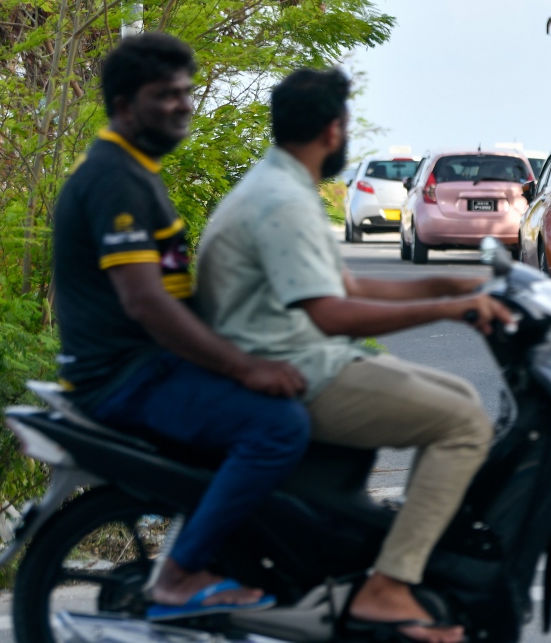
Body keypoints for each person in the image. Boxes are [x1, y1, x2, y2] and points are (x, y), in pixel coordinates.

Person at [196, 68, 509, 643]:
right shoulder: (283, 201)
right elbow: (332, 312)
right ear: (333, 130)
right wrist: (447, 311)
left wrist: (450, 285)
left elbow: (347, 284)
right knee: (464, 422)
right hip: (296, 371)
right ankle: (389, 584)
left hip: (300, 356)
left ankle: (405, 554)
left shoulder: (280, 185)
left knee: (462, 397)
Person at [52, 33, 312, 620]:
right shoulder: (114, 180)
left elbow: (176, 294)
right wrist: (244, 365)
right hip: (127, 377)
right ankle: (178, 575)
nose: (183, 104)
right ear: (124, 105)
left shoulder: (136, 171)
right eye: (164, 95)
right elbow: (146, 302)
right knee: (279, 428)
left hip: (150, 367)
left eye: (185, 92)